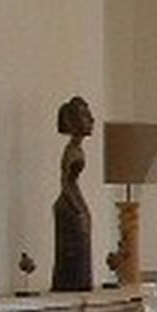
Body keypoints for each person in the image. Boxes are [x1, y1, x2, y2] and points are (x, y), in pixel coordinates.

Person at [51, 95, 94, 291]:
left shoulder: (77, 149)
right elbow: (65, 180)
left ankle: (79, 282)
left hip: (74, 199)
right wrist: (77, 208)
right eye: (85, 115)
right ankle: (71, 282)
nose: (91, 120)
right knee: (74, 249)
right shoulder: (71, 151)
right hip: (69, 203)